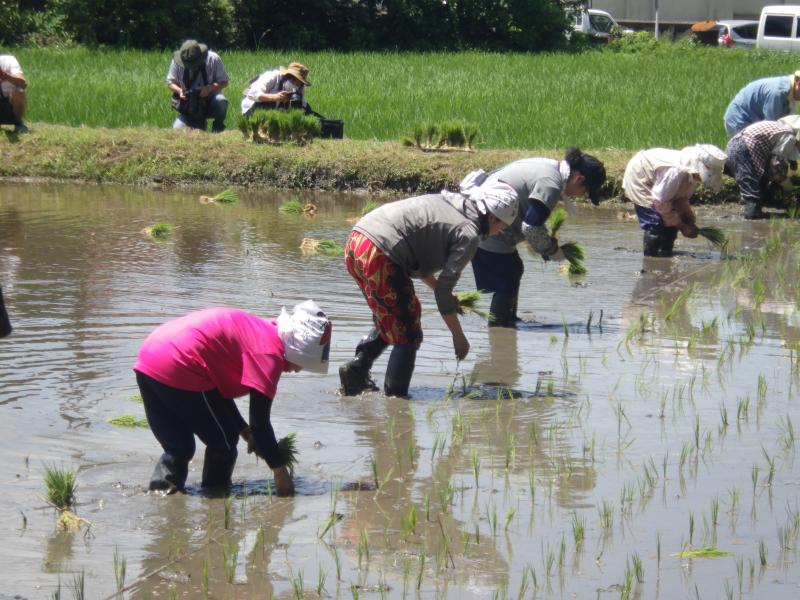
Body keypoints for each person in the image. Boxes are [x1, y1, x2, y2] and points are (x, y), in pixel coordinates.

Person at [339, 184, 519, 398]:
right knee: (409, 332)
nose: (500, 231)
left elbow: (420, 266)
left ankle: (357, 370)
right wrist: (458, 337)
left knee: (393, 313)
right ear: (493, 218)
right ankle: (396, 400)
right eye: (503, 226)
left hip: (358, 242)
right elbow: (443, 292)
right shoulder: (468, 233)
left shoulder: (451, 203)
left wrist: (446, 295)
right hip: (380, 251)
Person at [133, 301, 332, 494]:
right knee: (224, 443)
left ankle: (161, 499)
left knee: (179, 448)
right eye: (302, 363)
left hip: (149, 357)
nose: (298, 370)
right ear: (297, 350)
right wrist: (280, 472)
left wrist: (245, 431)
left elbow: (215, 392)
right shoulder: (268, 354)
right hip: (181, 364)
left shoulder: (264, 330)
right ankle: (215, 501)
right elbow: (260, 424)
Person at [467, 148, 607, 327]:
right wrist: (551, 250)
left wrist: (546, 245)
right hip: (489, 225)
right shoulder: (552, 184)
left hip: (483, 216)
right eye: (585, 192)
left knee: (513, 270)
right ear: (579, 179)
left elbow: (531, 221)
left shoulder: (549, 167)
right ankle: (500, 329)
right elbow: (531, 227)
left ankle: (508, 321)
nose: (581, 196)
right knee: (508, 275)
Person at [622, 144, 727, 255]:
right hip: (640, 176)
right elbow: (660, 202)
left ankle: (665, 254)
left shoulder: (691, 176)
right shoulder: (676, 173)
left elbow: (681, 200)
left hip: (660, 186)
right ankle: (651, 259)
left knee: (671, 226)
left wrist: (688, 220)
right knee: (655, 224)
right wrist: (682, 226)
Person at [725, 120, 800, 219]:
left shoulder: (781, 129)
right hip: (744, 148)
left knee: (759, 179)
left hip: (734, 146)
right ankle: (753, 212)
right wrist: (787, 185)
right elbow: (776, 165)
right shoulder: (789, 137)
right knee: (751, 183)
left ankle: (766, 200)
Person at [166, 40, 229, 132]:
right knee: (177, 130)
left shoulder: (213, 58)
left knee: (221, 100)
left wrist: (209, 88)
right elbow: (170, 82)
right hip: (189, 103)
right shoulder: (176, 62)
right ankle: (199, 125)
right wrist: (180, 91)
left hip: (210, 98)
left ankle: (218, 127)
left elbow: (224, 81)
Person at [724, 73, 800, 137]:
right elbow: (770, 126)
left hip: (754, 120)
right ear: (798, 84)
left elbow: (789, 121)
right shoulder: (777, 93)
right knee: (751, 150)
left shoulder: (788, 92)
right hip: (740, 119)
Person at [241, 62, 311, 116]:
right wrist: (275, 97)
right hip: (251, 109)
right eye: (297, 82)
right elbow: (252, 94)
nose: (298, 86)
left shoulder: (299, 87)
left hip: (277, 112)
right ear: (289, 77)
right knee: (270, 104)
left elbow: (302, 104)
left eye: (300, 83)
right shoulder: (271, 76)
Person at [0, 53, 28, 133]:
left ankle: (18, 123)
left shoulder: (9, 60)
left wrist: (5, 76)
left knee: (19, 91)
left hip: (10, 103)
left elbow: (23, 83)